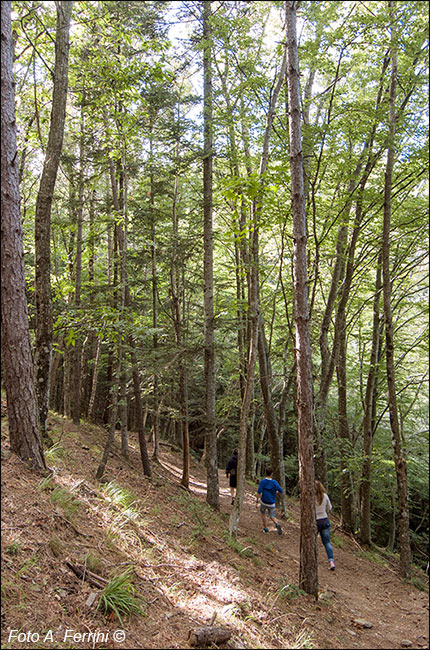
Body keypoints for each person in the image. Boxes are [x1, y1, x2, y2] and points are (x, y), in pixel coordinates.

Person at [315, 480, 335, 570]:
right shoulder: (325, 496)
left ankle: (312, 560)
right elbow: (329, 508)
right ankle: (331, 562)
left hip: (314, 521)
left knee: (312, 542)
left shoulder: (310, 497)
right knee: (327, 542)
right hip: (324, 520)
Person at [256, 467, 283, 535]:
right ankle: (277, 524)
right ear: (272, 474)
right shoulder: (274, 482)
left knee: (263, 514)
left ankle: (265, 528)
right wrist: (276, 491)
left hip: (263, 501)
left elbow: (259, 492)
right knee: (272, 516)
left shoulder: (262, 482)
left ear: (266, 473)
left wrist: (257, 501)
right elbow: (280, 490)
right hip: (271, 502)